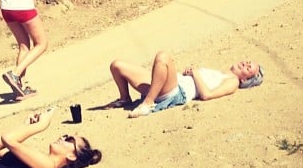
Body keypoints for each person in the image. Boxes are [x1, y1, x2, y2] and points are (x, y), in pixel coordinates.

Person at [104, 50, 264, 118]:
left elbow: (207, 95)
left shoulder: (233, 82)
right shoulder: (221, 73)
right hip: (168, 85)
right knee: (117, 65)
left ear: (245, 80)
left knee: (163, 56)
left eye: (249, 67)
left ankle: (148, 103)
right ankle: (125, 98)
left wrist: (195, 74)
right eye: (248, 62)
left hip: (176, 92)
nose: (246, 63)